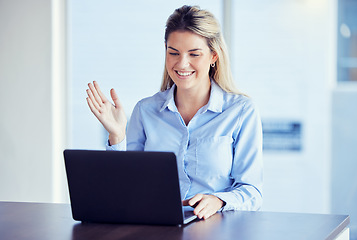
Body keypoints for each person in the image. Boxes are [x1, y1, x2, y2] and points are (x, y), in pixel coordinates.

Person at [86, 5, 263, 220]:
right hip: (154, 226)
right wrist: (117, 135)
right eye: (173, 53)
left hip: (213, 228)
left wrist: (218, 200)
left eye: (194, 54)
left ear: (214, 56)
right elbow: (123, 188)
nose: (182, 63)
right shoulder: (146, 110)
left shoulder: (240, 111)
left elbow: (252, 192)